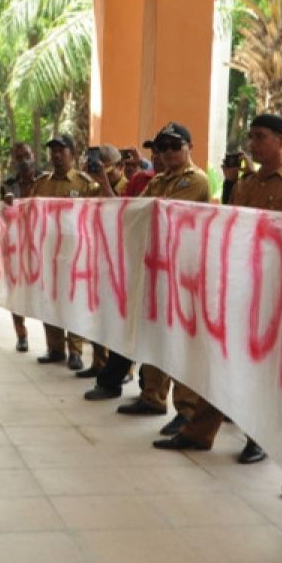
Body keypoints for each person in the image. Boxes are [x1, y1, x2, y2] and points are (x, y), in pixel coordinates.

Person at [151, 115, 282, 465]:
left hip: (272, 289)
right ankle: (199, 431)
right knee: (219, 357)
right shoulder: (246, 185)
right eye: (251, 137)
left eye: (261, 137)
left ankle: (259, 438)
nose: (253, 143)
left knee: (261, 367)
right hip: (238, 283)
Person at [84, 123, 215, 433]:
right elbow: (130, 213)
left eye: (174, 145)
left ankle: (186, 409)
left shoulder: (194, 180)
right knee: (153, 335)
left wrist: (137, 211)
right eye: (161, 147)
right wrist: (103, 181)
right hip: (154, 267)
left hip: (181, 270)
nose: (167, 152)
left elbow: (158, 214)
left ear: (189, 146)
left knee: (179, 341)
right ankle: (152, 396)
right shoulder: (157, 181)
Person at [29, 135, 99, 370]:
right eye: (53, 151)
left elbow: (99, 213)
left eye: (61, 150)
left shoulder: (84, 183)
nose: (56, 155)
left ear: (73, 154)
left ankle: (76, 351)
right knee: (50, 301)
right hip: (48, 253)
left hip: (75, 254)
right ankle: (55, 348)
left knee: (74, 301)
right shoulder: (41, 184)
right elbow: (29, 213)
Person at [1, 142, 42, 351]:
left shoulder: (45, 181)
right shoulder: (8, 185)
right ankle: (21, 335)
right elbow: (2, 218)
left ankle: (55, 345)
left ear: (33, 155)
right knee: (15, 291)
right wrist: (7, 208)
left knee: (47, 291)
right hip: (16, 247)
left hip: (41, 246)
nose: (23, 160)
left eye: (26, 155)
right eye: (19, 157)